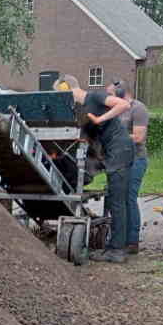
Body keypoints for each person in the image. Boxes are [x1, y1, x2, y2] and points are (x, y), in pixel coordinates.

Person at [53, 74, 132, 263]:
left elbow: (123, 105)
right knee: (116, 199)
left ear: (66, 89)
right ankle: (117, 247)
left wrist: (99, 119)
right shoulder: (82, 108)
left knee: (117, 201)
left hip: (120, 150)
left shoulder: (95, 97)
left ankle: (117, 250)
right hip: (112, 152)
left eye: (59, 95)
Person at [107, 79, 149, 254]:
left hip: (135, 160)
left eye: (110, 95)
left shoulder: (138, 109)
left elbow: (139, 137)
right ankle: (118, 238)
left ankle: (132, 241)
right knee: (116, 199)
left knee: (128, 198)